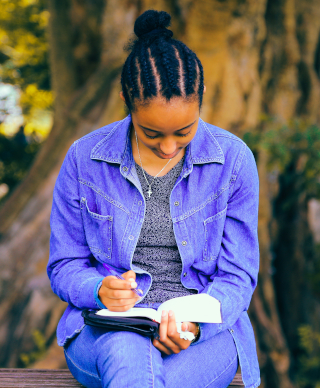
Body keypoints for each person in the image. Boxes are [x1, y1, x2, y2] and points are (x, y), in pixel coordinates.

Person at [47, 9, 260, 388]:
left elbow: (238, 274)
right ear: (126, 98)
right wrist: (98, 289)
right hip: (104, 331)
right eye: (151, 133)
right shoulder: (84, 159)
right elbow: (65, 265)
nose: (168, 147)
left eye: (183, 131)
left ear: (201, 96)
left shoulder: (233, 160)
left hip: (204, 335)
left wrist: (193, 324)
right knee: (128, 353)